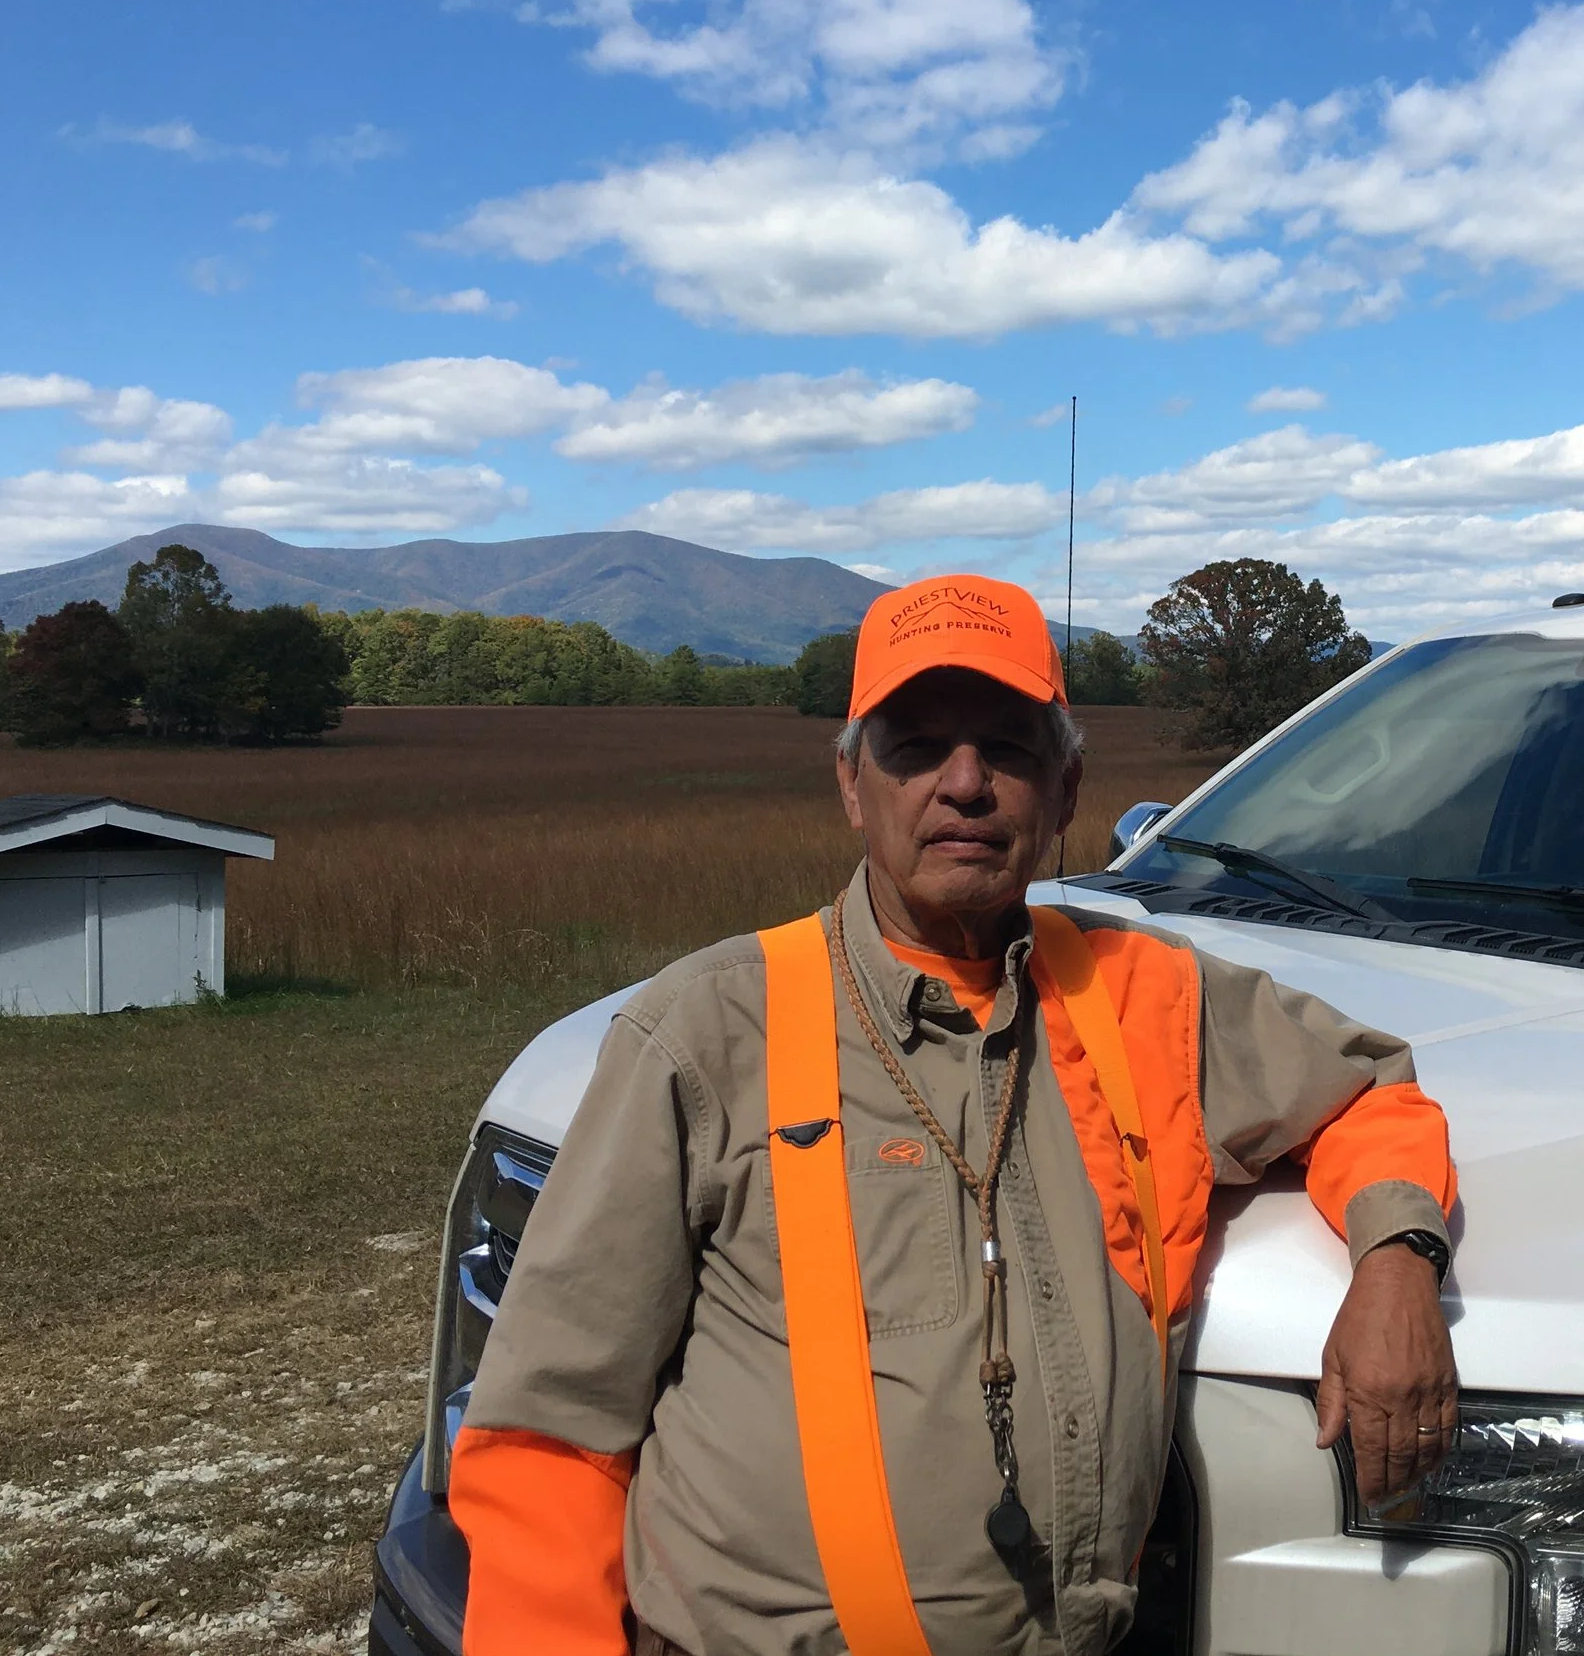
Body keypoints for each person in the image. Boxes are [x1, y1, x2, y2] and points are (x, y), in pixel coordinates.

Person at [447, 573, 1459, 1656]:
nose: (965, 785)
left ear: (1066, 790)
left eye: (1010, 749)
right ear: (852, 785)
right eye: (916, 746)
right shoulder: (708, 1032)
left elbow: (1368, 1092)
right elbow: (552, 1431)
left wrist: (1397, 1263)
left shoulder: (1149, 997)